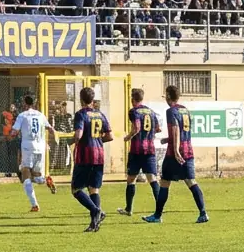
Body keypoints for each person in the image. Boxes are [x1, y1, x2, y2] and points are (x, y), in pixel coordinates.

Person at [143, 85, 209, 224]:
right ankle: (203, 213)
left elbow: (176, 130)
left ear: (168, 95)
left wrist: (176, 149)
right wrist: (168, 139)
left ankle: (157, 216)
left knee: (164, 182)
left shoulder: (171, 111)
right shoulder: (185, 110)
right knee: (191, 181)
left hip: (174, 153)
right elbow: (184, 132)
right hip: (188, 151)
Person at [70, 87, 112, 232]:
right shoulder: (100, 114)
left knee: (76, 189)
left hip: (85, 156)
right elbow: (110, 136)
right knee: (93, 189)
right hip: (99, 155)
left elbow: (79, 134)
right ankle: (94, 223)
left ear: (81, 99)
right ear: (93, 99)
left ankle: (96, 210)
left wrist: (73, 142)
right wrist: (97, 141)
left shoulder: (81, 114)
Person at [117, 88, 160, 216]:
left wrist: (128, 137)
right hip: (150, 150)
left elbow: (136, 127)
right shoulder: (151, 112)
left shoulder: (134, 111)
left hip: (136, 151)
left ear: (132, 99)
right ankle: (160, 209)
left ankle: (128, 209)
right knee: (152, 179)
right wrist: (148, 134)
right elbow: (158, 128)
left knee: (131, 179)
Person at [14, 94, 57, 213]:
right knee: (37, 176)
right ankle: (46, 179)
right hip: (40, 147)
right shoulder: (40, 115)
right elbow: (50, 129)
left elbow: (14, 131)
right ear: (34, 103)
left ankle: (34, 205)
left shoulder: (22, 115)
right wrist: (54, 138)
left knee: (25, 174)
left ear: (25, 103)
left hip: (28, 147)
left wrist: (10, 135)